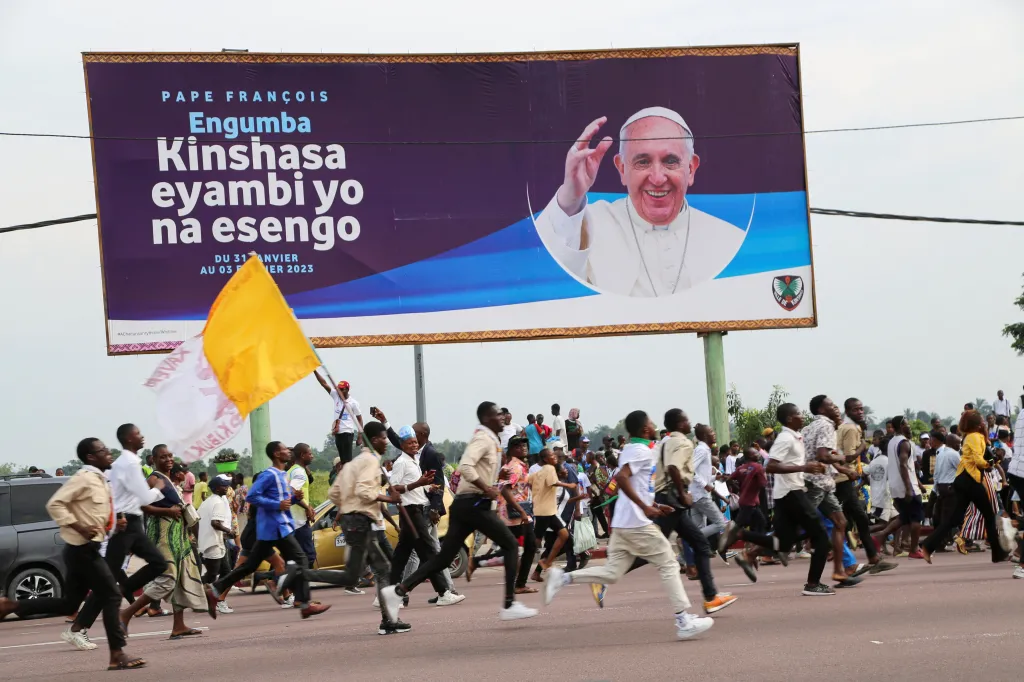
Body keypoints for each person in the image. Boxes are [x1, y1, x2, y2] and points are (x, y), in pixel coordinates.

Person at [534, 107, 745, 297]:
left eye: (670, 162)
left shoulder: (728, 239)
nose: (657, 178)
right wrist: (570, 198)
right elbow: (545, 277)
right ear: (622, 169)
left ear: (691, 169)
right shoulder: (590, 225)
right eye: (642, 162)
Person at [543, 410, 715, 640]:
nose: (655, 425)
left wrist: (653, 503)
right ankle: (683, 620)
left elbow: (637, 484)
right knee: (669, 563)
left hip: (624, 522)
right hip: (636, 521)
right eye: (651, 423)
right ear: (645, 429)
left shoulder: (633, 449)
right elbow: (622, 479)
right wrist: (645, 508)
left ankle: (563, 578)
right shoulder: (640, 452)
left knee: (612, 573)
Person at [381, 402, 538, 622]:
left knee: (443, 558)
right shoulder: (483, 438)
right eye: (497, 415)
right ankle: (509, 603)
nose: (502, 418)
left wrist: (496, 477)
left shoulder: (491, 440)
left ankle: (398, 591)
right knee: (511, 545)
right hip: (475, 504)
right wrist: (487, 488)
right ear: (486, 419)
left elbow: (478, 470)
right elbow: (465, 467)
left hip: (468, 505)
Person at [0, 439, 145, 670]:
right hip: (82, 550)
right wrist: (78, 526)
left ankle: (11, 607)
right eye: (103, 451)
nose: (109, 453)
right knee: (111, 596)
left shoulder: (101, 480)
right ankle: (117, 654)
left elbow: (93, 512)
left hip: (87, 549)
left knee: (69, 604)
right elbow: (55, 504)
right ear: (90, 457)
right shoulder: (83, 479)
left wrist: (113, 525)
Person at [627, 409, 742, 612]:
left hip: (667, 496)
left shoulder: (665, 441)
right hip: (674, 497)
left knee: (697, 544)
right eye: (687, 420)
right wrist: (683, 494)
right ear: (680, 424)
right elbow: (673, 467)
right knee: (659, 548)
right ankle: (608, 576)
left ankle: (711, 596)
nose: (691, 424)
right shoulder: (683, 442)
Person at [70, 424, 168, 649]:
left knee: (158, 564)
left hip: (130, 524)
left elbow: (115, 492)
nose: (142, 437)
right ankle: (78, 628)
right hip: (125, 526)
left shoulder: (121, 464)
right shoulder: (130, 462)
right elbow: (144, 498)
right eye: (138, 434)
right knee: (109, 580)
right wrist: (159, 487)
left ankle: (113, 598)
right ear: (128, 439)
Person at [207, 441, 331, 619]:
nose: (288, 452)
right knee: (301, 558)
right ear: (276, 454)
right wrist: (277, 504)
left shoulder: (282, 475)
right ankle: (303, 603)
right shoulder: (269, 475)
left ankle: (215, 591)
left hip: (276, 529)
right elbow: (252, 496)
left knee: (249, 565)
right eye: (283, 450)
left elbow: (284, 500)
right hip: (274, 528)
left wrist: (295, 499)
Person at [730, 404, 833, 595]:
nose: (802, 417)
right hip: (791, 493)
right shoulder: (785, 438)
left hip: (788, 493)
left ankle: (740, 534)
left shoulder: (795, 436)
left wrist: (810, 467)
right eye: (798, 414)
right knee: (821, 537)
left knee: (784, 543)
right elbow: (771, 466)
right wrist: (804, 468)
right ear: (789, 419)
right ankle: (813, 584)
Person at [324, 420, 412, 634]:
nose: (386, 442)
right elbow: (365, 492)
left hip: (359, 522)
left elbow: (334, 494)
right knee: (357, 575)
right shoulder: (370, 461)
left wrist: (350, 505)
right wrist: (389, 499)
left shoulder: (355, 463)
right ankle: (298, 573)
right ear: (374, 440)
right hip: (360, 522)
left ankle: (388, 620)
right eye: (383, 438)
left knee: (381, 570)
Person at [119, 449, 214, 639]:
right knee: (168, 578)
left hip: (177, 535)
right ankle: (127, 613)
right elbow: (141, 505)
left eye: (170, 456)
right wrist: (167, 513)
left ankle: (178, 626)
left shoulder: (169, 480)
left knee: (182, 578)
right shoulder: (154, 478)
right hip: (163, 534)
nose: (168, 459)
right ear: (153, 460)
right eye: (163, 457)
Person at [379, 418, 464, 607]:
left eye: (416, 442)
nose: (414, 445)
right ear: (402, 445)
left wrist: (429, 488)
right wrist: (419, 484)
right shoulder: (402, 462)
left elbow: (417, 487)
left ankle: (390, 594)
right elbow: (394, 488)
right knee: (430, 554)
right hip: (411, 512)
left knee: (402, 556)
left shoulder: (414, 460)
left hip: (416, 509)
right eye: (410, 442)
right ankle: (442, 591)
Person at [922, 411, 1009, 564]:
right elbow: (978, 460)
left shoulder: (973, 436)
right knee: (989, 515)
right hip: (970, 480)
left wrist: (993, 461)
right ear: (977, 424)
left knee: (954, 518)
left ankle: (928, 546)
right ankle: (997, 553)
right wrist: (990, 463)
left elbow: (983, 459)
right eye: (981, 420)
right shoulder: (975, 436)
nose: (984, 421)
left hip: (964, 480)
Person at [836, 399, 896, 574]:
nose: (860, 412)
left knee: (860, 519)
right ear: (847, 411)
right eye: (856, 409)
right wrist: (862, 446)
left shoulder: (849, 428)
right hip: (843, 479)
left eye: (862, 409)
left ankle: (873, 559)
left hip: (846, 479)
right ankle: (765, 547)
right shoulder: (850, 429)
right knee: (826, 521)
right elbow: (848, 457)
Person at [872, 416, 924, 558]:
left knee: (904, 517)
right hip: (907, 486)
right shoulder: (904, 443)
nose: (909, 426)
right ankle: (914, 549)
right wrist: (909, 488)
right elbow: (903, 465)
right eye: (907, 424)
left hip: (895, 486)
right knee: (916, 518)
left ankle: (880, 536)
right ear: (901, 426)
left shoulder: (891, 442)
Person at [529, 447, 576, 579]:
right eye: (563, 470)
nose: (566, 470)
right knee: (563, 541)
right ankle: (539, 564)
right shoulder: (555, 484)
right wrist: (569, 486)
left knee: (552, 546)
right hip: (550, 517)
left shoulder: (556, 482)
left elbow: (565, 501)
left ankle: (539, 569)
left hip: (554, 518)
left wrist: (578, 498)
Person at [198, 475, 234, 615]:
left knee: (226, 573)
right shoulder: (218, 502)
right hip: (213, 543)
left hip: (210, 542)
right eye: (223, 485)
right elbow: (215, 523)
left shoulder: (208, 501)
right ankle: (192, 591)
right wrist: (228, 531)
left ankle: (218, 600)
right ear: (216, 488)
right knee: (212, 575)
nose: (226, 487)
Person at [314, 368, 363, 465]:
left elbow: (360, 419)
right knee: (342, 460)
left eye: (342, 389)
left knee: (348, 460)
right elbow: (324, 383)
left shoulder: (353, 403)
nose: (339, 391)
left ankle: (349, 477)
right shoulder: (335, 395)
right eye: (338, 389)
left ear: (347, 389)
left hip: (347, 432)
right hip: (337, 433)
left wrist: (360, 436)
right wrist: (314, 371)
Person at [287, 443, 318, 569]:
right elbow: (293, 491)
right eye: (309, 454)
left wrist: (308, 506)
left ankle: (280, 581)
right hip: (298, 521)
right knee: (309, 556)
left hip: (294, 520)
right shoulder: (299, 472)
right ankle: (296, 584)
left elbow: (299, 494)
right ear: (302, 455)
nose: (312, 456)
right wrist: (307, 508)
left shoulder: (292, 470)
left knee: (294, 557)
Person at [932, 433, 962, 551]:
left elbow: (936, 474)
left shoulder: (940, 453)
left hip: (941, 487)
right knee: (949, 518)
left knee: (941, 517)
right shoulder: (954, 454)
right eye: (958, 443)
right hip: (951, 489)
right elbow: (962, 471)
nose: (959, 445)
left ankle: (940, 543)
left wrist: (936, 490)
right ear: (952, 443)